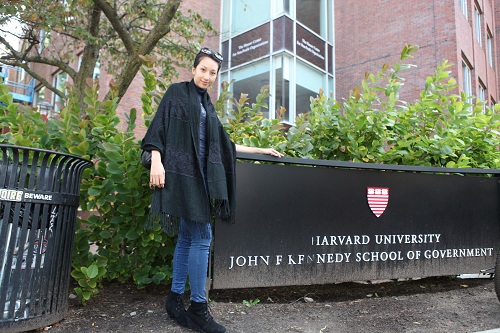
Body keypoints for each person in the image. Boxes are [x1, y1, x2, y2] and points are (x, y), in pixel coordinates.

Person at [141, 47, 283, 333]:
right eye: (203, 69)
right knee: (203, 236)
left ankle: (173, 298)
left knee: (186, 237)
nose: (207, 76)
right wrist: (156, 161)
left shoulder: (207, 105)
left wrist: (259, 148)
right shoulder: (176, 93)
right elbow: (156, 133)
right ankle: (197, 307)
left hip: (201, 179)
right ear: (193, 69)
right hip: (184, 178)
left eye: (213, 73)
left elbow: (223, 144)